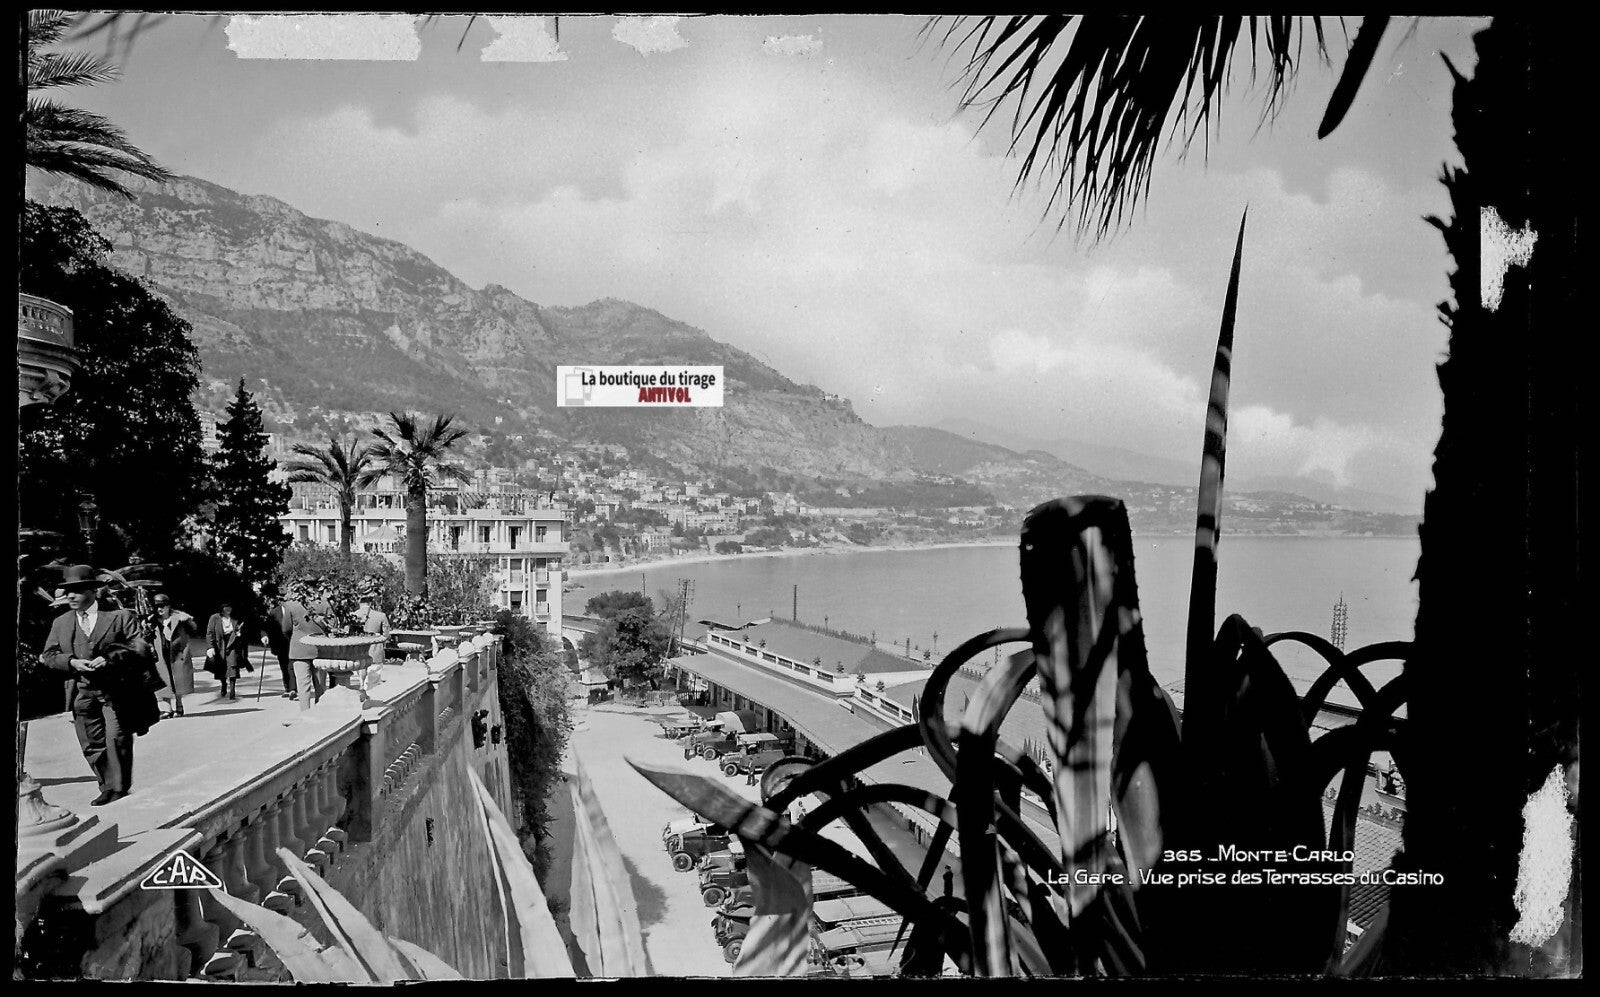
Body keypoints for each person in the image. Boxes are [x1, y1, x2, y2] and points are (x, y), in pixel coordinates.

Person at [38, 565, 159, 805]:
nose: (70, 596)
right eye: (67, 591)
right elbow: (48, 654)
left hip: (116, 692)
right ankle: (107, 786)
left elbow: (140, 646)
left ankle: (119, 786)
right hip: (81, 692)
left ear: (92, 591)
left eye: (77, 590)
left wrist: (111, 656)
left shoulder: (119, 616)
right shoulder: (61, 623)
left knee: (117, 738)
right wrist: (71, 662)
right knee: (91, 742)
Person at [150, 593, 197, 718]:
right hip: (161, 653)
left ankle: (179, 705)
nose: (159, 609)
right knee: (164, 679)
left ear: (168, 606)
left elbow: (193, 630)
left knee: (177, 679)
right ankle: (167, 709)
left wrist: (187, 620)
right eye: (157, 606)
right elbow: (146, 637)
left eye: (162, 606)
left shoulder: (179, 618)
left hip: (177, 653)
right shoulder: (152, 620)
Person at [289, 578, 331, 710]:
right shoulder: (324, 604)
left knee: (303, 685)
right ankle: (320, 712)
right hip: (319, 649)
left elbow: (286, 628)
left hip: (299, 649)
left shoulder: (292, 605)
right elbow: (333, 625)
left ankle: (305, 714)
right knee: (320, 685)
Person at [205, 601, 253, 700]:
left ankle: (232, 690)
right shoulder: (214, 618)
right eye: (226, 607)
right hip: (219, 645)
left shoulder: (236, 618)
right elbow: (209, 633)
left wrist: (239, 634)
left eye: (230, 607)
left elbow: (244, 631)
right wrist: (210, 647)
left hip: (233, 645)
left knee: (233, 666)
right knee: (221, 667)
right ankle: (223, 684)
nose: (228, 609)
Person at [261, 582, 296, 700]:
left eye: (284, 598)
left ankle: (293, 689)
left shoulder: (295, 610)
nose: (283, 601)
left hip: (293, 643)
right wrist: (264, 636)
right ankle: (287, 688)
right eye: (280, 598)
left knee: (293, 666)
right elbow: (266, 627)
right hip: (280, 645)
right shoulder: (274, 612)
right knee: (284, 667)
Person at [352, 586, 390, 667]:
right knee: (373, 676)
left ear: (359, 602)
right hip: (376, 651)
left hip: (358, 651)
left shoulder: (353, 615)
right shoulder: (381, 616)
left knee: (361, 675)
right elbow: (386, 635)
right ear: (370, 603)